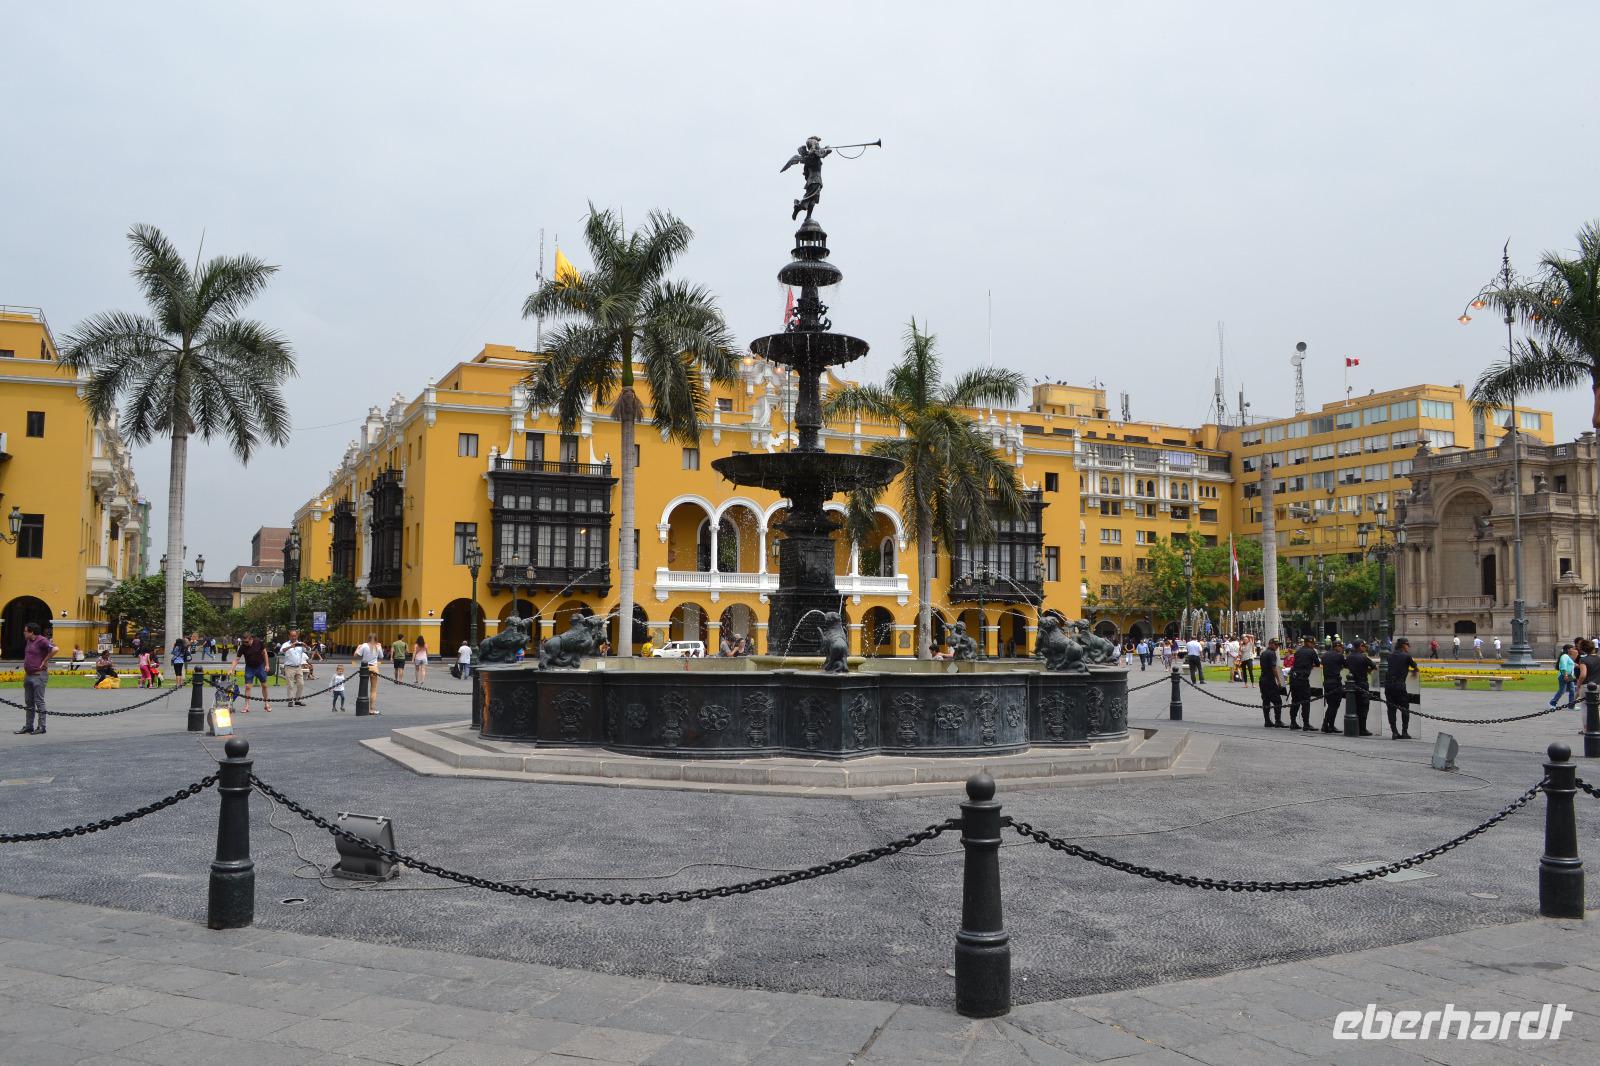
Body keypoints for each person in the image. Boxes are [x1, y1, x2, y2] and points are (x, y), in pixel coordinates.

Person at [16, 622, 55, 735]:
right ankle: (29, 726)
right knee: (29, 702)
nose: (24, 632)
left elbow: (55, 649)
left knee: (39, 701)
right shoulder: (29, 641)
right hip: (28, 675)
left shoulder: (42, 640)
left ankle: (41, 726)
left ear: (31, 632)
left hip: (39, 675)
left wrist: (45, 660)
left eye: (25, 631)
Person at [1384, 637, 1421, 739]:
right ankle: (1404, 732)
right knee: (1405, 708)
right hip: (1399, 685)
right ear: (1403, 645)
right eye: (1407, 645)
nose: (1408, 647)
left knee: (1391, 709)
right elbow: (1415, 667)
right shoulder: (1407, 656)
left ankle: (1394, 732)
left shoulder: (1389, 655)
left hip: (1388, 685)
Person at [1287, 635, 1319, 731]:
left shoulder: (1298, 651)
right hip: (1302, 679)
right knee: (1306, 701)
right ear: (1309, 642)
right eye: (1313, 643)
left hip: (1293, 678)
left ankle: (1293, 722)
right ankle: (1306, 723)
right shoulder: (1311, 651)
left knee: (1295, 701)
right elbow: (1317, 663)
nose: (1313, 645)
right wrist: (1311, 665)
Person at [1345, 639, 1376, 736]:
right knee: (1363, 708)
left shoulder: (1349, 657)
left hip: (1352, 684)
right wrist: (1368, 670)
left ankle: (1355, 727)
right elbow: (1374, 666)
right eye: (1363, 646)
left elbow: (1346, 666)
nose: (1365, 648)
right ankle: (1362, 729)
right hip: (1362, 684)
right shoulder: (1363, 657)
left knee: (1354, 707)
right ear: (1360, 646)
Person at [234, 634, 270, 712]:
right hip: (250, 668)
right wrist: (231, 669)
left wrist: (267, 665)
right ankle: (247, 706)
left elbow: (265, 653)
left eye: (246, 642)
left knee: (264, 685)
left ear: (251, 639)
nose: (245, 643)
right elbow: (237, 659)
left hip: (260, 666)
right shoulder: (243, 647)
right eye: (243, 642)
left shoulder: (258, 643)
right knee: (247, 686)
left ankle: (266, 703)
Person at [1319, 639, 1347, 733]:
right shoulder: (1339, 656)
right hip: (1335, 683)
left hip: (1327, 682)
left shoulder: (1325, 655)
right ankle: (1328, 725)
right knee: (1334, 705)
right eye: (1341, 647)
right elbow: (1345, 665)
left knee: (1331, 705)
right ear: (1337, 646)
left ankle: (1327, 725)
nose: (1342, 649)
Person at [1258, 637, 1286, 728]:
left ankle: (1267, 721)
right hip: (1269, 680)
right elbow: (1274, 668)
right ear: (1270, 644)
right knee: (1277, 701)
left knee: (1266, 700)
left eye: (1278, 645)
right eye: (1276, 644)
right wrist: (1279, 680)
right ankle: (1278, 721)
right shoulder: (1272, 653)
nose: (1277, 646)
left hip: (1263, 679)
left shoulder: (1264, 653)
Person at [354, 634, 383, 713]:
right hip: (374, 668)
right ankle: (372, 709)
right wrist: (380, 647)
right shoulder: (378, 646)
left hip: (365, 668)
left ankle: (363, 707)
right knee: (373, 690)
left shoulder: (364, 645)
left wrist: (358, 647)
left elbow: (356, 655)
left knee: (363, 688)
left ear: (368, 638)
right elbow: (381, 656)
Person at [280, 631, 309, 706]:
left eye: (295, 636)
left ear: (297, 636)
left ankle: (297, 700)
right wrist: (290, 646)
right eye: (292, 636)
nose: (294, 637)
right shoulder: (286, 644)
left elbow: (308, 650)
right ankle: (290, 700)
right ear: (289, 636)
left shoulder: (300, 644)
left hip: (298, 667)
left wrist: (305, 646)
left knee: (301, 684)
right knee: (290, 685)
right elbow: (281, 651)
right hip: (289, 667)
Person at [1551, 644, 1578, 710]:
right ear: (1568, 649)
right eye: (1572, 649)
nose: (1573, 650)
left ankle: (1571, 705)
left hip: (1569, 675)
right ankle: (1553, 702)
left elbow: (1569, 664)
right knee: (1562, 690)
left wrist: (1575, 665)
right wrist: (1565, 675)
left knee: (1572, 690)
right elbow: (1563, 666)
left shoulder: (1567, 656)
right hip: (1564, 675)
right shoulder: (1564, 656)